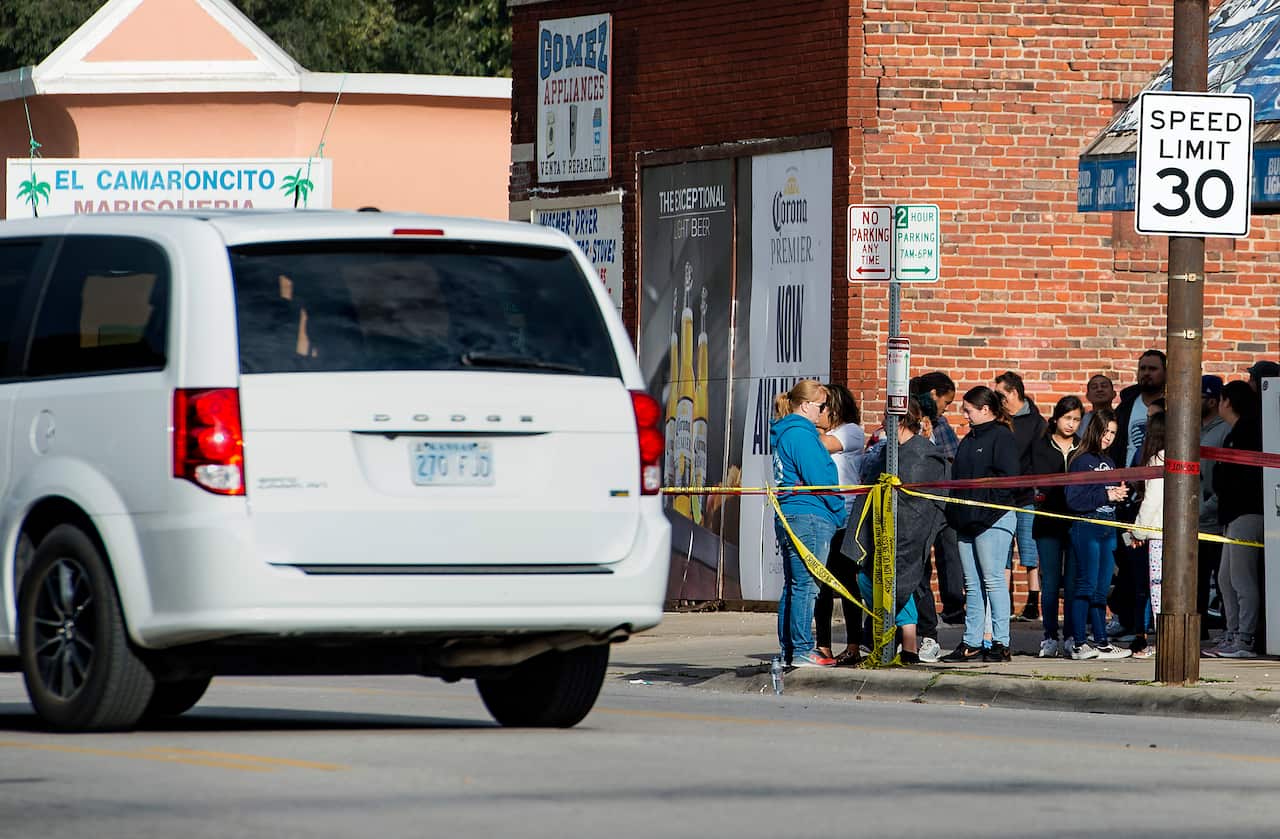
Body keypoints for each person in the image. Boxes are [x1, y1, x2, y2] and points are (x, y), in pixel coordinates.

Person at [840, 398, 948, 665]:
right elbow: (870, 480)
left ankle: (909, 644)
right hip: (878, 528)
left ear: (899, 421)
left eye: (887, 420)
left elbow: (925, 496)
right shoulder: (886, 451)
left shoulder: (923, 452)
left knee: (902, 578)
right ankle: (896, 642)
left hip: (910, 529)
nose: (881, 425)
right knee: (871, 577)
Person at [940, 386, 1020, 663]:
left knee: (993, 580)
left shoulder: (1002, 437)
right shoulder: (968, 439)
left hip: (992, 520)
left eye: (968, 410)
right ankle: (972, 641)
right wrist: (958, 514)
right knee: (972, 585)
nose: (965, 416)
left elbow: (1007, 482)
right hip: (966, 521)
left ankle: (1001, 641)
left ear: (985, 409)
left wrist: (984, 515)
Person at [771, 380, 846, 668]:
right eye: (822, 406)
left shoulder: (786, 433)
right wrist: (838, 511)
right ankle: (801, 649)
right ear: (806, 406)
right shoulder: (801, 435)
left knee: (794, 585)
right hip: (809, 515)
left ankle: (791, 649)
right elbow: (821, 478)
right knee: (806, 586)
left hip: (792, 514)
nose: (825, 412)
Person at [1064, 410, 1132, 660]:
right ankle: (1079, 643)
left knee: (1102, 589)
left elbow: (1108, 495)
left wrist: (1118, 496)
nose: (1109, 437)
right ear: (1094, 430)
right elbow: (1074, 500)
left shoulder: (1110, 461)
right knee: (1086, 585)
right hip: (1087, 528)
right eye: (1105, 432)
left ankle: (1101, 641)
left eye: (1113, 433)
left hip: (1108, 526)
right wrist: (1106, 495)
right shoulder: (1081, 460)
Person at [1205, 381, 1265, 658]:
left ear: (1228, 402)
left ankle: (1245, 638)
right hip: (1231, 514)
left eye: (1221, 399)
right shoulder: (1234, 432)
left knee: (1242, 579)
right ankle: (1232, 633)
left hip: (1247, 512)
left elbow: (1238, 477)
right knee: (1227, 579)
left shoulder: (1247, 432)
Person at [813, 384, 865, 663]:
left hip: (845, 516)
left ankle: (854, 643)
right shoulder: (822, 432)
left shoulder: (850, 431)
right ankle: (823, 644)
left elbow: (823, 446)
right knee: (821, 584)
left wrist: (803, 423)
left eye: (822, 407)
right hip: (824, 514)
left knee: (846, 583)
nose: (818, 413)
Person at [1029, 395, 1082, 658]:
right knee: (1049, 583)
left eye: (1076, 419)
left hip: (1075, 523)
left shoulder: (1082, 448)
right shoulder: (1041, 447)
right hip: (1047, 523)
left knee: (1072, 584)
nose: (1071, 424)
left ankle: (1073, 635)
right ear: (1056, 419)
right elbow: (1036, 483)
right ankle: (1049, 636)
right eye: (1067, 418)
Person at [913, 372, 966, 628]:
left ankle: (953, 607)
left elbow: (953, 457)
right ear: (934, 395)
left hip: (942, 500)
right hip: (918, 503)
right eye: (946, 402)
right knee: (922, 560)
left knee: (950, 554)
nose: (946, 408)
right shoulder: (911, 420)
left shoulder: (941, 425)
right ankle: (925, 616)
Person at [994, 370, 1047, 621]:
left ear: (1014, 392)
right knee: (1002, 549)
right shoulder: (999, 419)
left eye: (1000, 394)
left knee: (1029, 548)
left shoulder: (1036, 422)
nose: (997, 398)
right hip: (1002, 497)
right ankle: (1003, 601)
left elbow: (1040, 458)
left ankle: (1032, 601)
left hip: (1027, 495)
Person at [1128, 411, 1166, 659]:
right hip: (1178, 535)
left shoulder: (1156, 460)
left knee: (1157, 589)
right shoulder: (1181, 459)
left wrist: (1138, 530)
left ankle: (1164, 641)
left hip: (1158, 534)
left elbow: (1151, 500)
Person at [1198, 375, 1230, 638]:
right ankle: (1198, 632)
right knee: (1196, 582)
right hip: (1195, 519)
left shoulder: (1224, 430)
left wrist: (1207, 506)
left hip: (1215, 518)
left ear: (1212, 400)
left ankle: (1231, 630)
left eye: (1198, 396)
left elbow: (1224, 477)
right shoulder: (1193, 428)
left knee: (1223, 581)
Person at [1078, 374, 1116, 439]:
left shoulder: (1122, 417)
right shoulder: (1081, 421)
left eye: (1104, 386)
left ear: (1114, 394)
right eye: (1094, 387)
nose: (1099, 389)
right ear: (1088, 396)